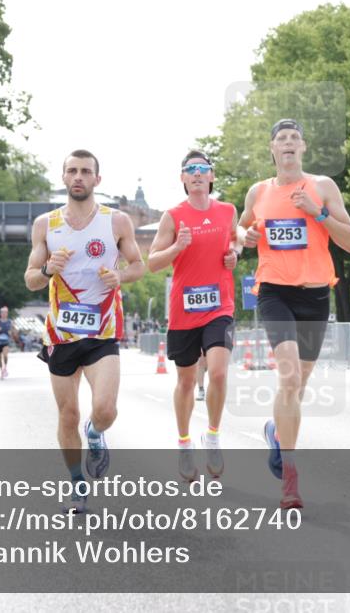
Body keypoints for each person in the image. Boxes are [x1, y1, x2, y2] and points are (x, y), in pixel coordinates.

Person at [237, 119, 350, 509]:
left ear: (303, 147)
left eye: (294, 139)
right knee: (288, 377)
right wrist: (246, 237)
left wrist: (317, 213)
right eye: (281, 139)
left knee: (298, 387)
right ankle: (290, 476)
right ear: (272, 149)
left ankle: (276, 430)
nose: (288, 144)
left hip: (315, 295)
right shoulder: (258, 192)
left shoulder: (322, 187)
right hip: (274, 292)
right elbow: (238, 234)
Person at [25, 148, 145, 513]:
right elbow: (30, 280)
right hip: (61, 335)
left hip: (101, 331)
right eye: (72, 171)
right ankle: (77, 485)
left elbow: (139, 265)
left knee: (104, 409)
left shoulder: (117, 222)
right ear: (63, 178)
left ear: (97, 179)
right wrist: (48, 270)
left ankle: (96, 435)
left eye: (85, 171)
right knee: (68, 416)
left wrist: (120, 276)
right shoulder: (45, 224)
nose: (79, 177)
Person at [147, 150, 241, 481]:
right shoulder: (172, 217)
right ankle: (185, 442)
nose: (198, 174)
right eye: (191, 170)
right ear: (183, 179)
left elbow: (237, 242)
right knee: (186, 381)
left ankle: (213, 435)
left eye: (203, 169)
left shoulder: (228, 211)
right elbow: (153, 262)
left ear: (212, 176)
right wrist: (177, 248)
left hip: (220, 306)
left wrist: (235, 256)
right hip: (184, 310)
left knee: (217, 372)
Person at [0, 308, 14, 379]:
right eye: (2, 312)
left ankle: (5, 368)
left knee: (5, 355)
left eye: (5, 312)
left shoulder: (10, 322)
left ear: (7, 313)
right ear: (0, 313)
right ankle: (2, 370)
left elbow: (14, 331)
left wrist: (11, 333)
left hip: (6, 341)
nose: (4, 314)